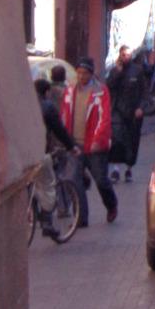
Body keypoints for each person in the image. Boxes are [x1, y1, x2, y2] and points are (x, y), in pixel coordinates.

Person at [60, 57, 118, 226]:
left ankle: (111, 205)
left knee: (101, 180)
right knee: (74, 179)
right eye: (78, 73)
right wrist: (64, 140)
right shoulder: (70, 90)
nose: (81, 76)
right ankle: (80, 218)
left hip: (94, 146)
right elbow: (64, 114)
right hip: (74, 144)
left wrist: (97, 140)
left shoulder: (101, 91)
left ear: (91, 74)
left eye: (85, 73)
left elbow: (104, 118)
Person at [34, 78, 78, 239]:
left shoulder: (23, 104)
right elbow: (59, 130)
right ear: (46, 92)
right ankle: (47, 222)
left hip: (21, 154)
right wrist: (71, 146)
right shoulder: (47, 106)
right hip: (39, 151)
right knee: (48, 185)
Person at [105, 45, 145, 183]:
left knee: (132, 141)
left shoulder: (137, 71)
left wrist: (141, 107)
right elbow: (109, 86)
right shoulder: (115, 70)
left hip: (134, 111)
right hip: (117, 111)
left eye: (128, 55)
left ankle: (129, 169)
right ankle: (115, 170)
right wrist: (118, 72)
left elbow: (144, 92)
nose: (126, 57)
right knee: (116, 140)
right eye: (123, 55)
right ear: (120, 55)